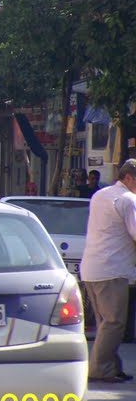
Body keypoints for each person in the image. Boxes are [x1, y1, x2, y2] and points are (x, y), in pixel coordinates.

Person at [81, 160, 136, 383]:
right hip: (112, 270)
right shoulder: (128, 200)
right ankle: (101, 369)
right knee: (114, 323)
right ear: (129, 178)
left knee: (106, 322)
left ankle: (111, 366)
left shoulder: (101, 195)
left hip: (92, 269)